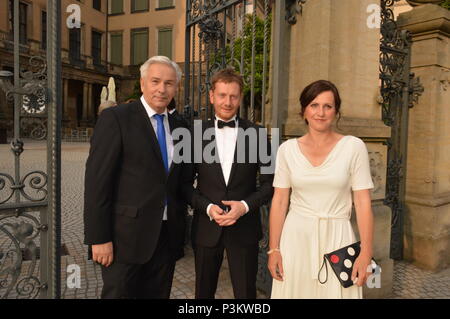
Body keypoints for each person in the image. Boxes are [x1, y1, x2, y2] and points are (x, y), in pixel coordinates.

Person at [84, 56, 190, 299]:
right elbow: (97, 183)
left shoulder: (180, 125)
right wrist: (99, 238)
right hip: (124, 240)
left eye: (169, 83)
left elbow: (182, 181)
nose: (162, 89)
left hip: (166, 237)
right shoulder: (116, 118)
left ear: (176, 88)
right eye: (155, 81)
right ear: (143, 83)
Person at [268, 80, 374, 299]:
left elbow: (363, 203)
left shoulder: (354, 147)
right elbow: (279, 202)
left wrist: (366, 252)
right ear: (304, 110)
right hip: (296, 239)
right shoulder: (287, 150)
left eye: (328, 106)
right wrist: (274, 249)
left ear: (336, 111)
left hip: (338, 238)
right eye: (314, 105)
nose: (321, 112)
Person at [188, 68, 274, 299]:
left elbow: (269, 185)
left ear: (240, 98)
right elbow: (184, 186)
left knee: (246, 295)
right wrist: (207, 207)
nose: (228, 102)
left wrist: (244, 206)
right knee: (202, 294)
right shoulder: (194, 134)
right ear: (212, 96)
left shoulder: (258, 134)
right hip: (206, 228)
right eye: (223, 95)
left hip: (245, 229)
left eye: (233, 96)